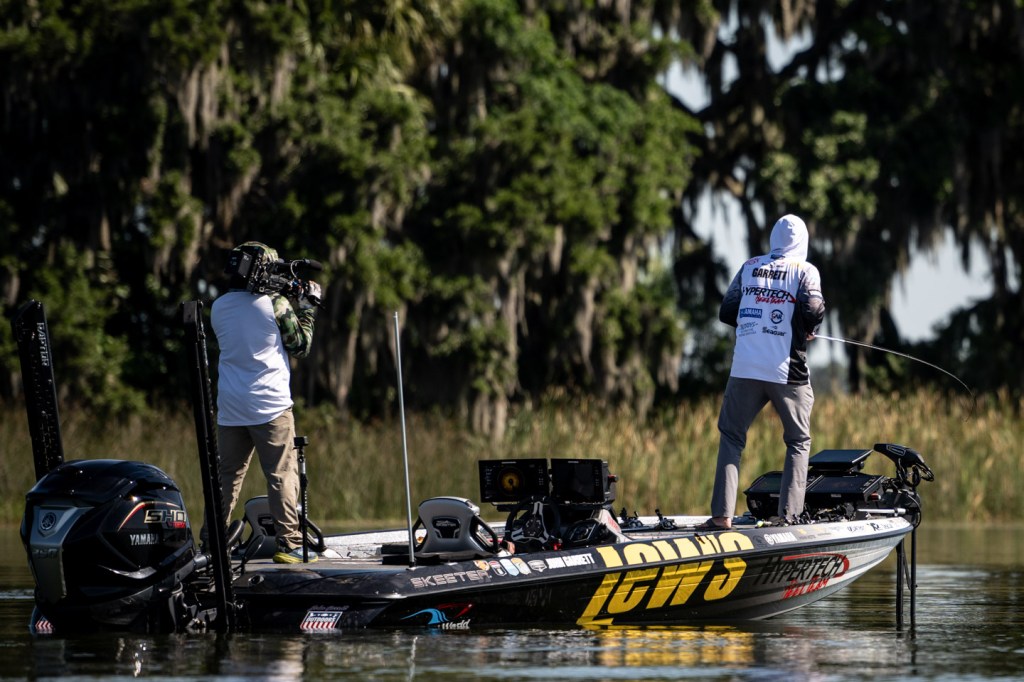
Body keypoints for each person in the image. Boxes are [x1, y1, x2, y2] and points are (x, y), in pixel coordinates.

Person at [699, 214, 826, 531]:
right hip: (787, 370)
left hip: (745, 367)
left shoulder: (750, 266)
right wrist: (806, 328)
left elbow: (728, 310)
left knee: (732, 437)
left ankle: (721, 516)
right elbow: (813, 308)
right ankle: (789, 517)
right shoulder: (805, 270)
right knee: (798, 441)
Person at [211, 241, 322, 563]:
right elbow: (300, 346)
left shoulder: (219, 306)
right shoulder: (275, 304)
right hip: (270, 406)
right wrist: (308, 308)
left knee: (227, 477)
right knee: (281, 474)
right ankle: (289, 543)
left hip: (231, 406)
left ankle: (211, 543)